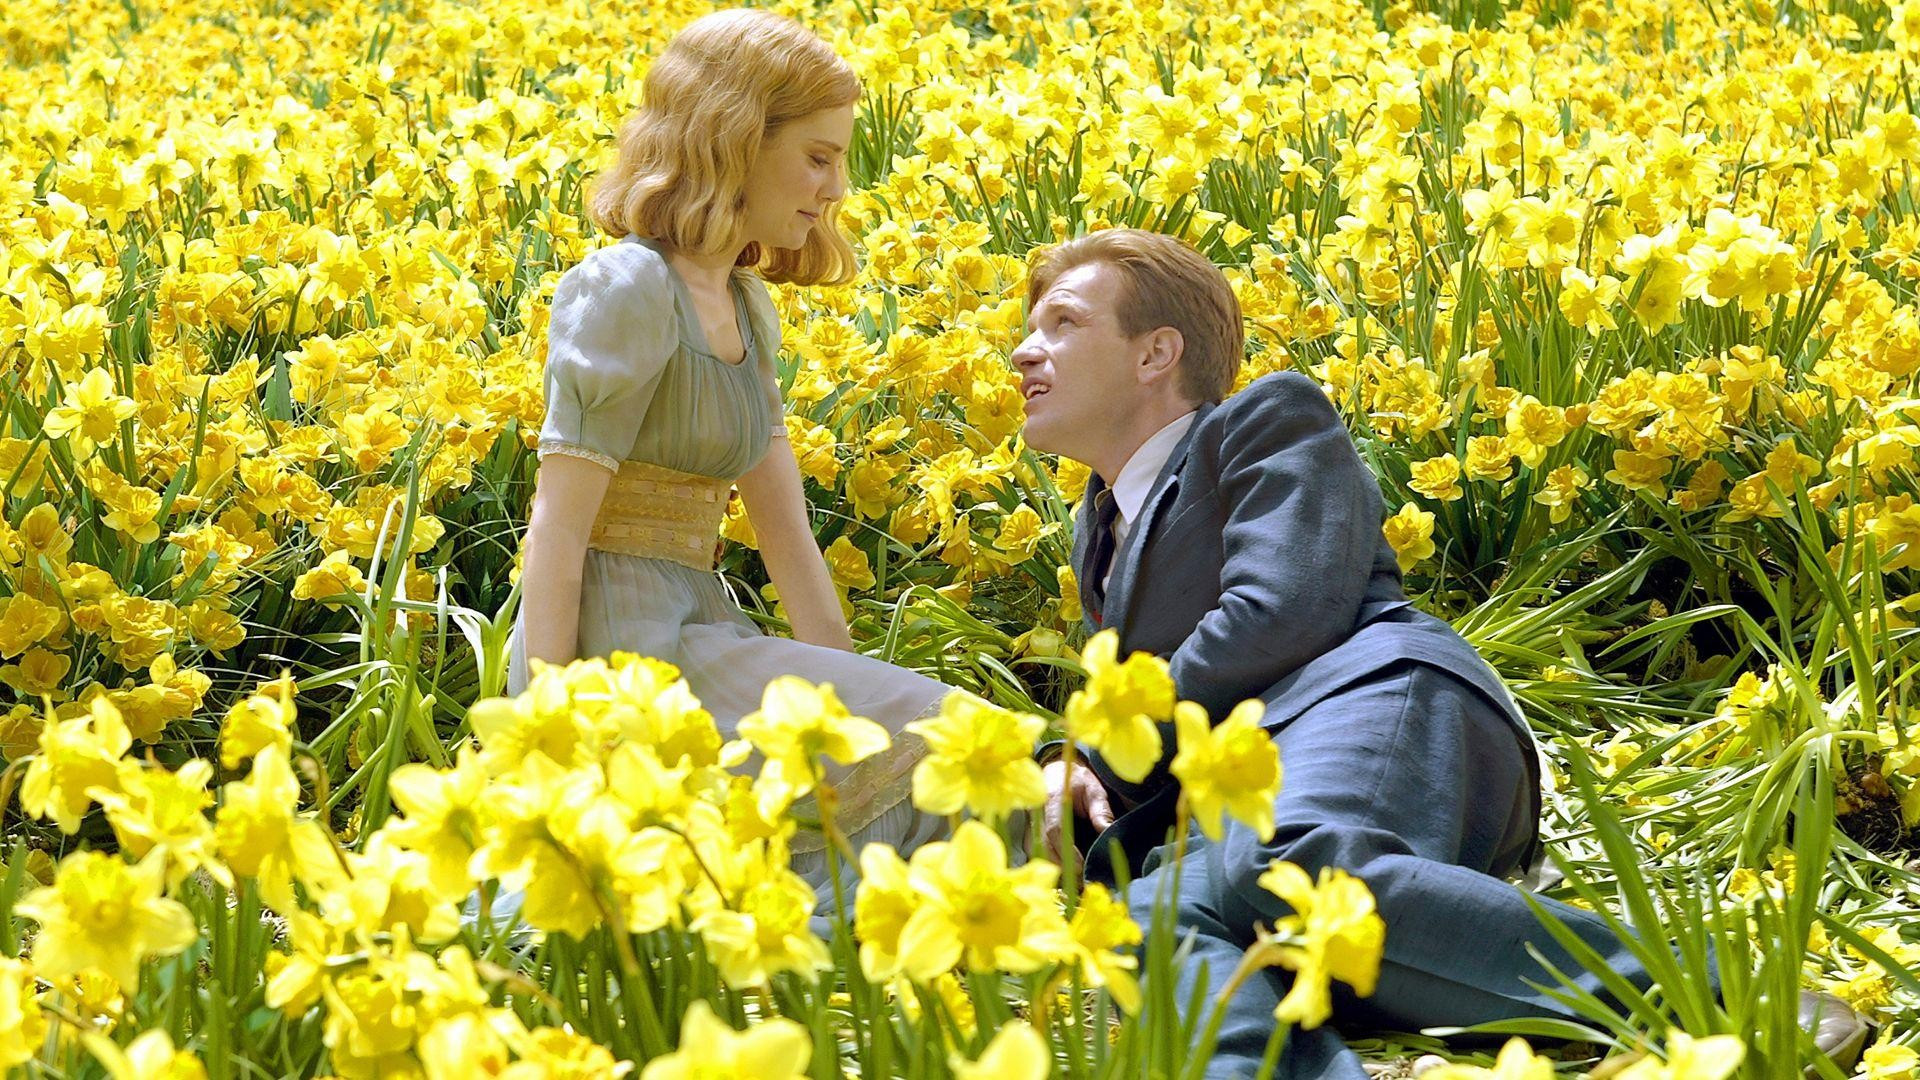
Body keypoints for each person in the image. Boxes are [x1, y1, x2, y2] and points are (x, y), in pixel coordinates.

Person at [1014, 229, 1869, 1079]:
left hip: (1369, 695)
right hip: (1250, 772)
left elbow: (1282, 610)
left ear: (1156, 352)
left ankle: (1736, 1000)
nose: (1024, 350)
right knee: (1152, 916)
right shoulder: (1099, 521)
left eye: (1061, 322)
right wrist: (1073, 764)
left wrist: (1096, 743)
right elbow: (1142, 705)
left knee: (1295, 864)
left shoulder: (1264, 421)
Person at [500, 8, 946, 912]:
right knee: (951, 736)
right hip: (617, 652)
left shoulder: (745, 305)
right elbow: (558, 525)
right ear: (735, 140)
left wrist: (858, 700)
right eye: (817, 157)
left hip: (703, 629)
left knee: (939, 749)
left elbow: (788, 539)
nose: (835, 187)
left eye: (841, 160)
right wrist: (540, 731)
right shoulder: (625, 288)